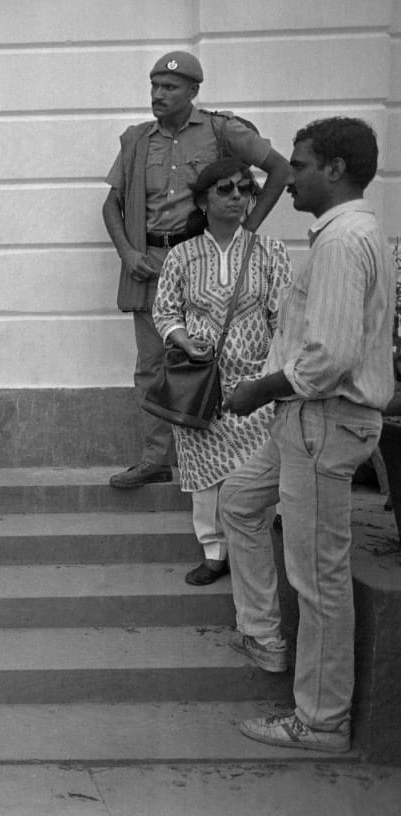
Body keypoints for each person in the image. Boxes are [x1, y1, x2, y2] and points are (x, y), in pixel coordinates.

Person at [220, 117, 393, 753]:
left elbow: (331, 358)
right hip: (306, 421)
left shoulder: (344, 241)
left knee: (319, 580)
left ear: (335, 170)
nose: (287, 177)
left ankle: (321, 720)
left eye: (299, 165)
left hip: (323, 420)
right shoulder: (346, 234)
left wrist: (261, 389)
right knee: (239, 501)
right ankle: (263, 634)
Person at [103, 51, 291, 489]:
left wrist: (247, 230)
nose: (158, 94)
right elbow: (111, 204)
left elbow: (280, 170)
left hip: (206, 260)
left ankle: (234, 462)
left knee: (222, 359)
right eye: (154, 86)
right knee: (154, 366)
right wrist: (127, 252)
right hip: (151, 264)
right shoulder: (137, 140)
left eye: (169, 87)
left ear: (193, 91)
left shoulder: (222, 130)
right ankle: (155, 459)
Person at [151, 159, 292, 587]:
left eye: (244, 189)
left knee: (256, 469)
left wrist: (271, 379)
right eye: (225, 189)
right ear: (202, 200)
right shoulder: (182, 255)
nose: (237, 196)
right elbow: (165, 311)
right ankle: (214, 552)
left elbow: (285, 320)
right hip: (201, 385)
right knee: (204, 473)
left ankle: (252, 550)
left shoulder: (270, 251)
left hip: (255, 385)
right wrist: (183, 340)